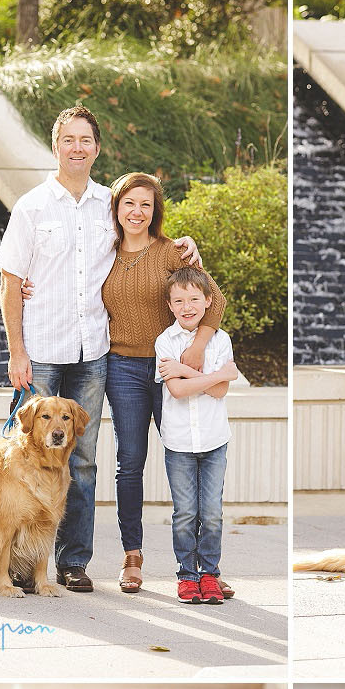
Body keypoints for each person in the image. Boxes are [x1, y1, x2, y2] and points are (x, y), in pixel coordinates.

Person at [0, 109, 199, 593]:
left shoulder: (108, 205)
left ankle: (72, 561)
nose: (78, 148)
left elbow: (142, 241)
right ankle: (15, 560)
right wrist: (16, 351)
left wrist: (183, 244)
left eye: (86, 140)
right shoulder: (31, 207)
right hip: (42, 349)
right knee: (23, 455)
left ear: (98, 148)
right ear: (55, 147)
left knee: (81, 458)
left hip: (94, 352)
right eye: (69, 140)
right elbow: (9, 280)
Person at [103, 174, 226, 596]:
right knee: (130, 461)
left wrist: (199, 346)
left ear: (156, 212)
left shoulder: (171, 251)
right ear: (116, 207)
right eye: (129, 204)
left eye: (146, 205)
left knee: (188, 458)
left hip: (170, 367)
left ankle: (200, 570)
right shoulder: (102, 252)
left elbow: (216, 299)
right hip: (123, 368)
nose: (137, 212)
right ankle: (132, 556)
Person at [155, 266, 238, 604]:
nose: (187, 307)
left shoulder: (221, 340)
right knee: (186, 513)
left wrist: (185, 370)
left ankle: (209, 573)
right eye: (179, 301)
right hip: (178, 443)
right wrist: (214, 376)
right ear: (170, 305)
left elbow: (219, 392)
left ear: (207, 301)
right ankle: (187, 575)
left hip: (214, 440)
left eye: (193, 299)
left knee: (213, 513)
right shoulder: (165, 341)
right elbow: (176, 391)